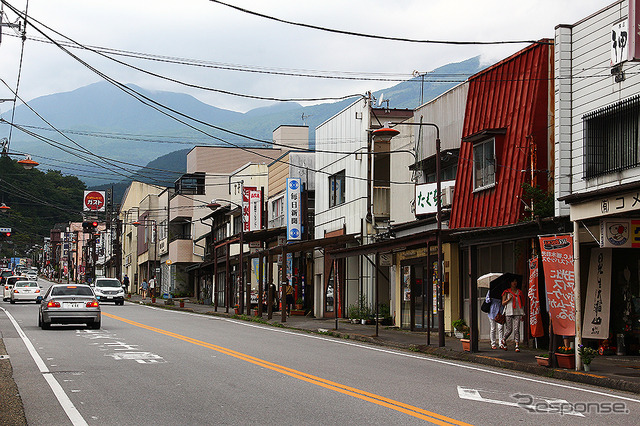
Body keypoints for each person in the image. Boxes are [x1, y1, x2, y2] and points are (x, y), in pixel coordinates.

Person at [501, 278, 525, 352]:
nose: (514, 282)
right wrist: (509, 299)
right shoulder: (506, 292)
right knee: (509, 329)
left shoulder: (519, 292)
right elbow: (503, 303)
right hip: (508, 311)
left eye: (515, 281)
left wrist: (522, 313)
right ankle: (504, 339)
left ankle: (517, 345)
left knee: (516, 329)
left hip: (517, 311)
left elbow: (522, 303)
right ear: (510, 283)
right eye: (513, 281)